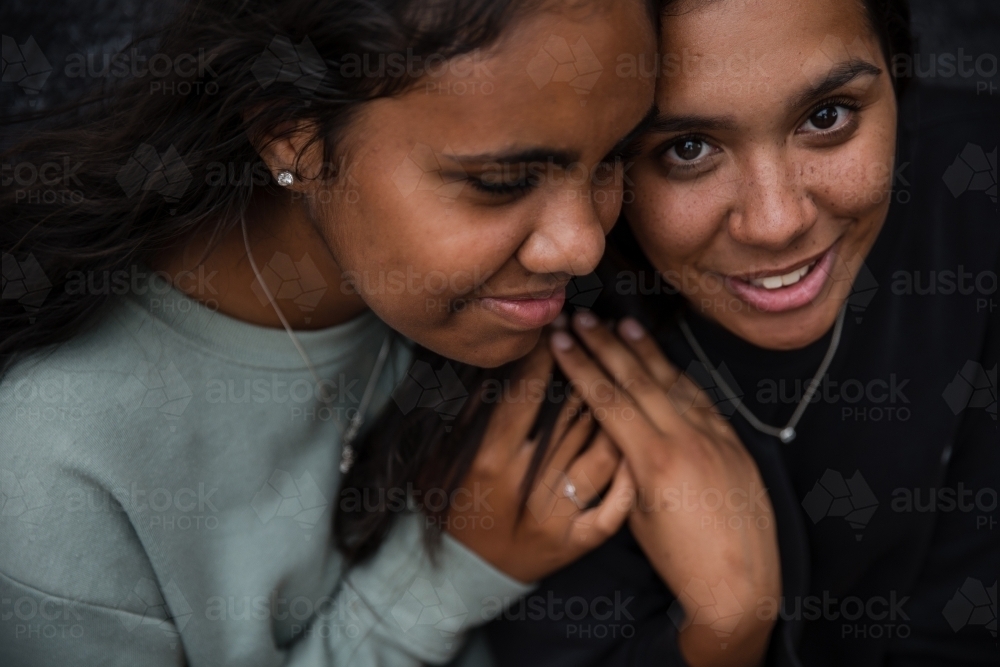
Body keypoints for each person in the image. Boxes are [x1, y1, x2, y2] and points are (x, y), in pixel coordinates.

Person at [0, 0, 662, 664]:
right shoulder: (55, 464)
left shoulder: (560, 317)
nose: (581, 248)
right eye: (502, 182)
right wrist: (443, 577)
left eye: (613, 159)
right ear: (294, 135)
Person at [485, 0, 998, 665]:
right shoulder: (547, 338)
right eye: (687, 149)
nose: (777, 220)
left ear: (899, 75)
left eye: (826, 116)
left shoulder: (975, 194)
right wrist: (726, 628)